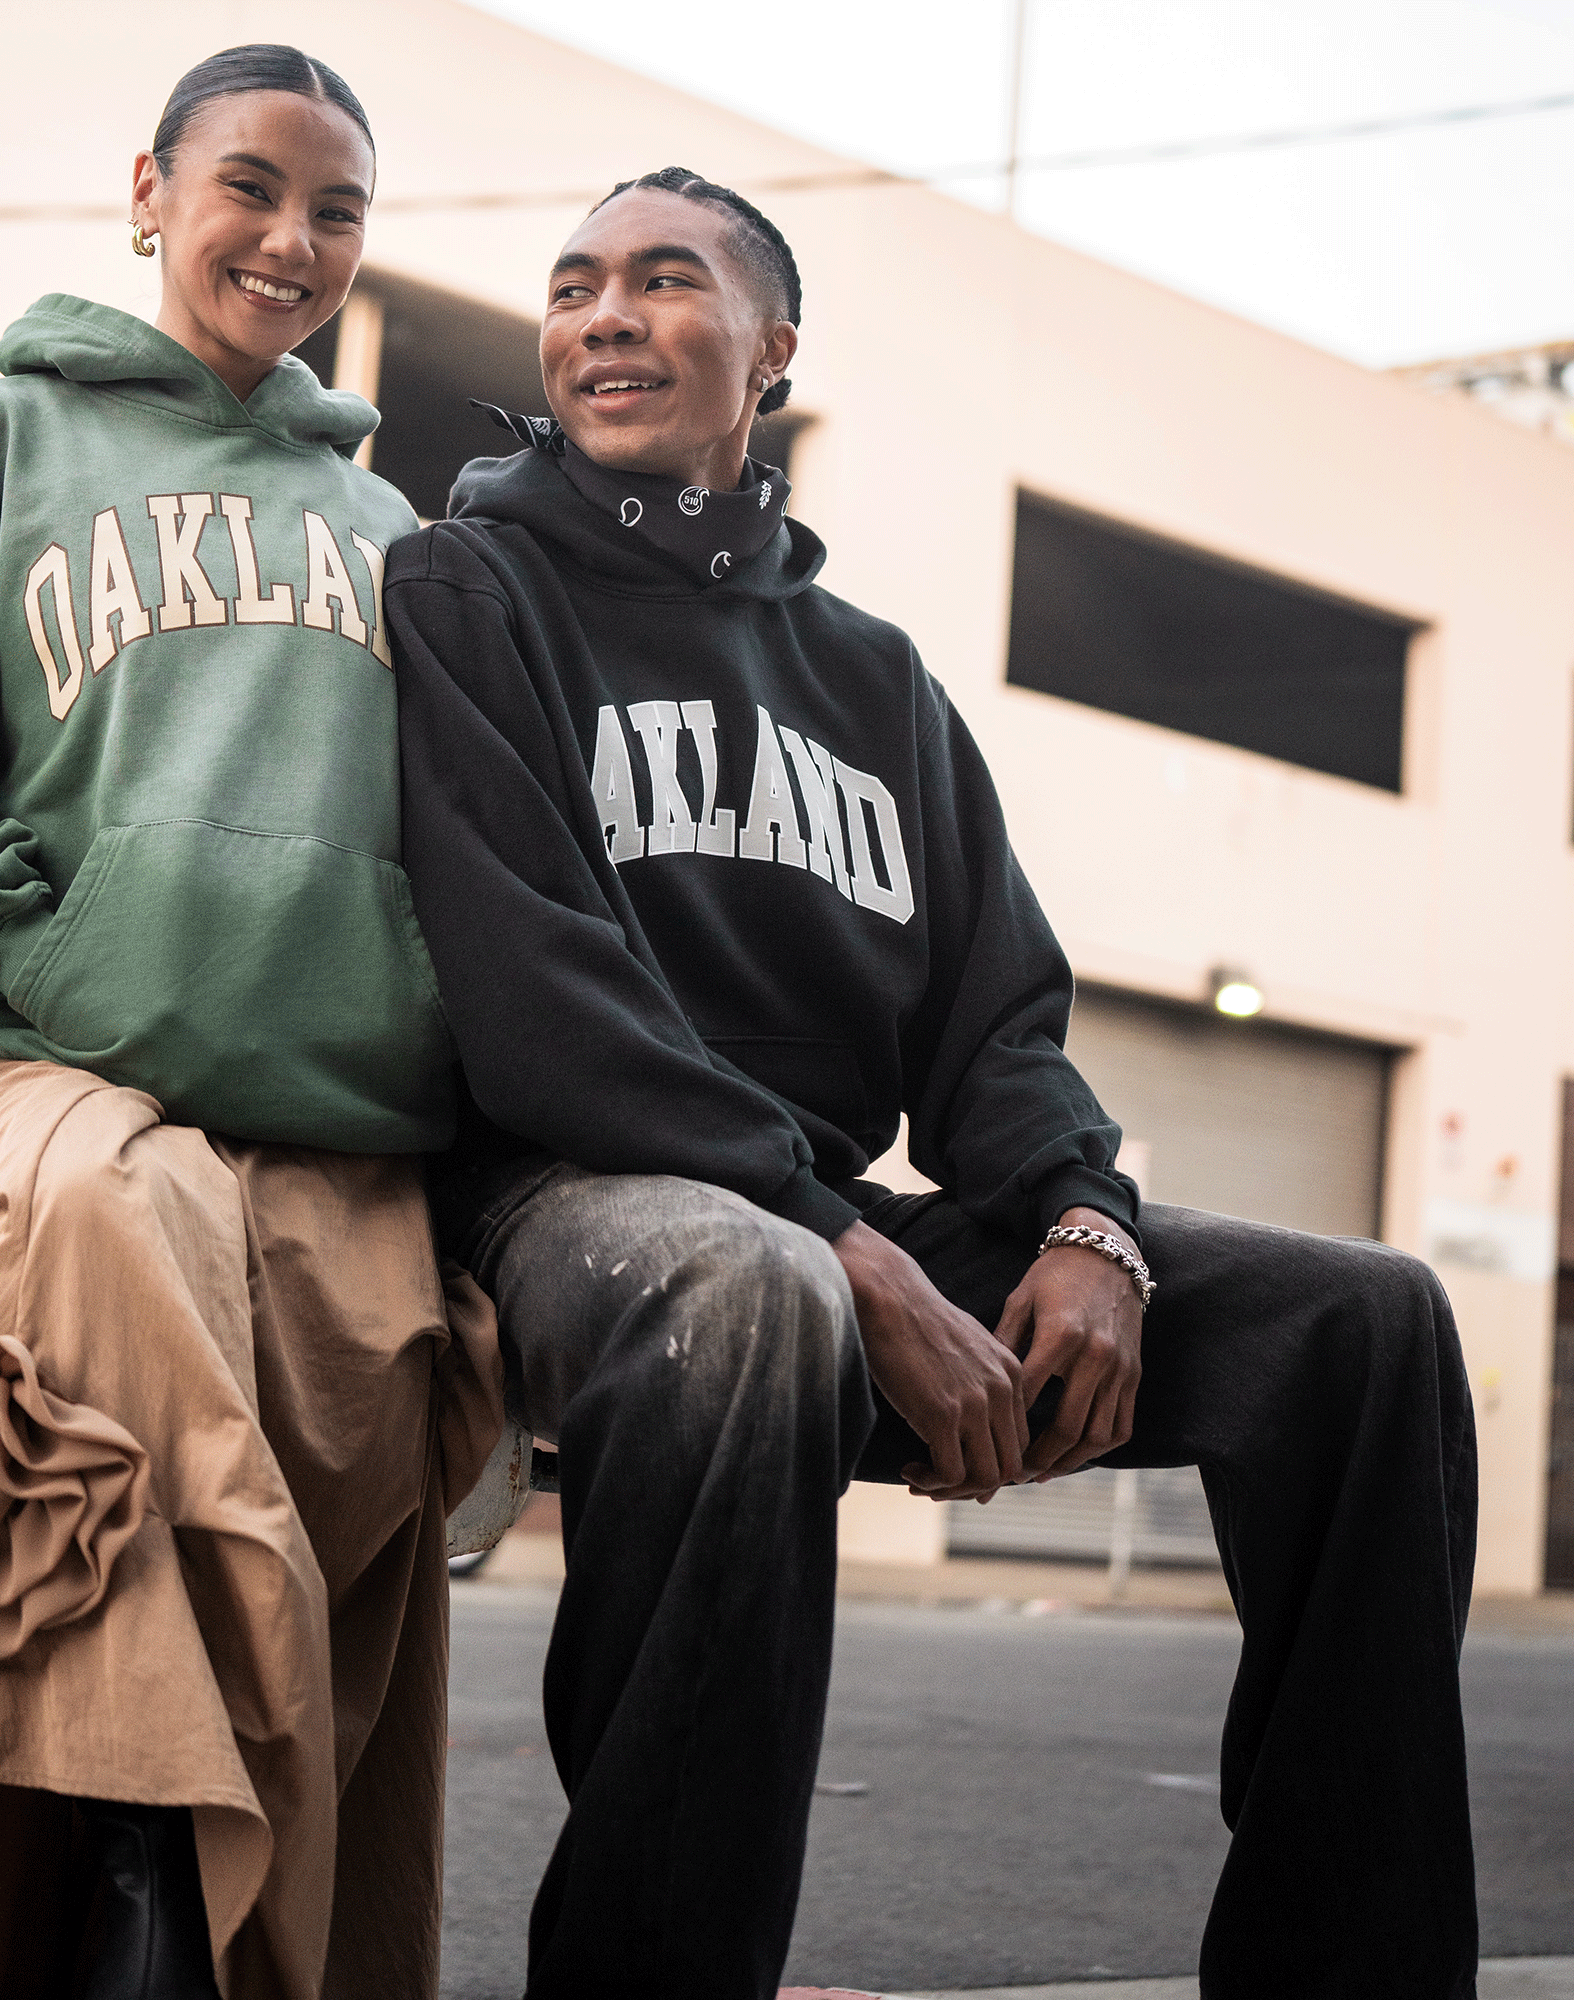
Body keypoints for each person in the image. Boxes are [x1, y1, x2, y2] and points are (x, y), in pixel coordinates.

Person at [386, 167, 1479, 2000]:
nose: (603, 317)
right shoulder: (465, 586)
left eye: (664, 281)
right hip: (560, 1205)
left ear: (772, 352)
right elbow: (534, 997)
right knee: (755, 1293)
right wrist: (842, 1247)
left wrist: (1084, 1226)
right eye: (573, 286)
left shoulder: (875, 681)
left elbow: (996, 1029)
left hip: (830, 1232)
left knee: (1365, 1327)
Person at [0, 46, 501, 2000]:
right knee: (111, 1236)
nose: (291, 240)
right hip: (59, 1067)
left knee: (356, 1360)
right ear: (151, 194)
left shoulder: (392, 530)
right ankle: (156, 1903)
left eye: (337, 211)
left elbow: (460, 851)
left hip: (333, 1113)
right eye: (250, 187)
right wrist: (74, 954)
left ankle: (158, 1890)